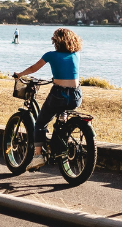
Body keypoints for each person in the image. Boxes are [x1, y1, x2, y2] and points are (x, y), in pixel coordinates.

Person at [13, 27, 82, 170]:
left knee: (40, 123)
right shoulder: (76, 55)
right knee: (62, 112)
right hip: (76, 95)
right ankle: (60, 137)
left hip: (59, 94)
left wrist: (19, 74)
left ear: (56, 41)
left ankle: (38, 157)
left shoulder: (51, 55)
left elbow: (33, 68)